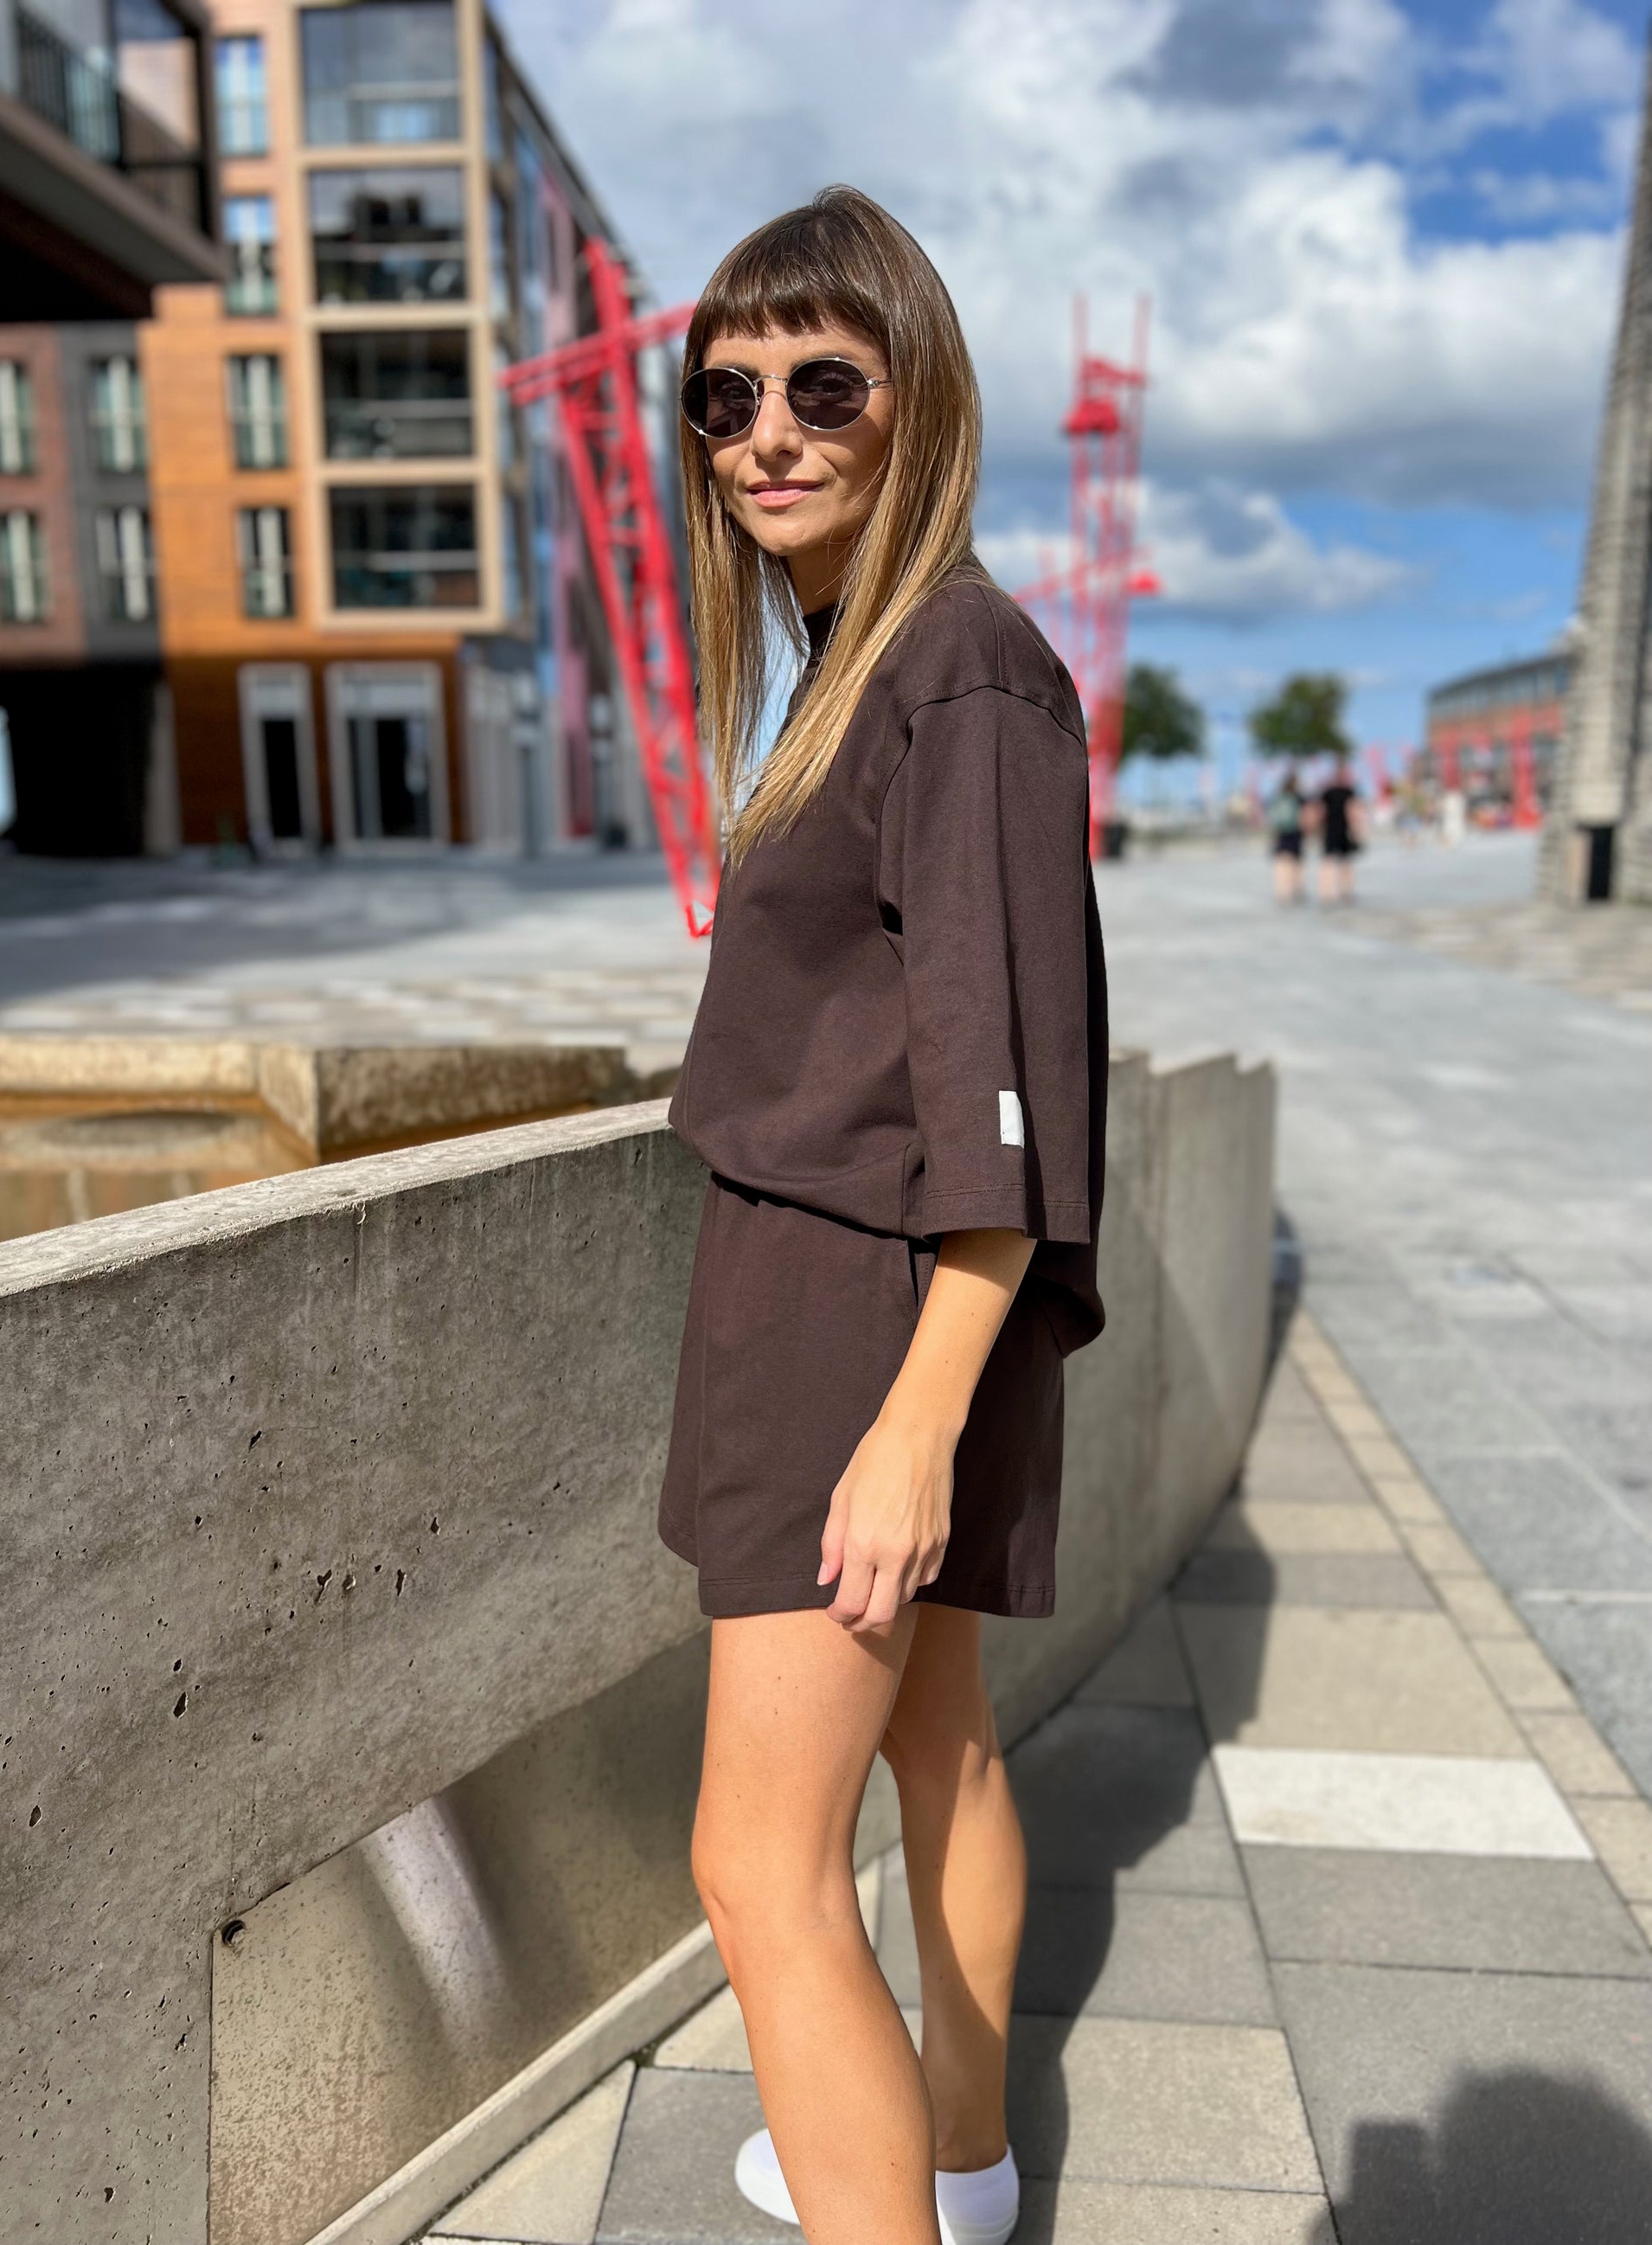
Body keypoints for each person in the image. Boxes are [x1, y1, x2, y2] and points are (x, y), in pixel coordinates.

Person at [659, 187, 1108, 2245]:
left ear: (916, 394)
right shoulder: (881, 659)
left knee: (757, 1864)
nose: (767, 432)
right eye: (726, 396)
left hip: (866, 1307)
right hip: (884, 1291)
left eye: (823, 386)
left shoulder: (959, 672)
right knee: (943, 1742)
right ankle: (960, 2163)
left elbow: (1004, 1082)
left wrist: (913, 1420)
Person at [1316, 752, 1364, 904]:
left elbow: (1320, 812)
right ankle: (1346, 892)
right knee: (1345, 863)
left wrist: (1318, 830)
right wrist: (1356, 831)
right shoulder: (1349, 792)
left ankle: (1326, 893)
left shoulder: (1327, 792)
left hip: (1330, 831)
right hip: (1344, 831)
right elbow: (1353, 813)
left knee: (1328, 862)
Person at [1269, 763, 1306, 902]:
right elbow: (1304, 818)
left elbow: (1273, 817)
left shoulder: (1279, 797)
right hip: (1295, 834)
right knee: (1296, 864)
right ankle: (1295, 890)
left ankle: (1281, 892)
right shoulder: (1298, 798)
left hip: (1281, 834)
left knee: (1281, 864)